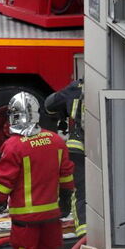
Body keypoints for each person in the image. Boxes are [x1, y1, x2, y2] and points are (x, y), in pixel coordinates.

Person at [0, 92, 75, 249]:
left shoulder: (14, 145)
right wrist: (65, 200)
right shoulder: (55, 140)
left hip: (25, 220)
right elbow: (66, 176)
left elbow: (4, 183)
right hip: (51, 216)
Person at [45, 78, 86, 237]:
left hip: (77, 147)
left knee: (82, 193)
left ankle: (84, 235)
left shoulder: (76, 87)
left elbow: (49, 104)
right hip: (106, 149)